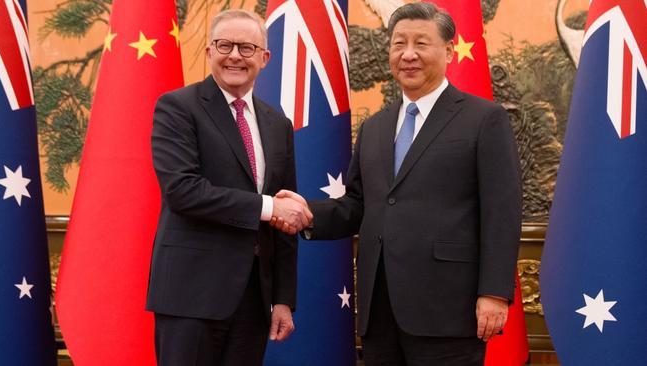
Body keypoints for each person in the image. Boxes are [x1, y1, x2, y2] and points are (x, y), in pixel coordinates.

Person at [272, 2, 522, 365]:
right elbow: (358, 204)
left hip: (449, 311)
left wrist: (495, 293)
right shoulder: (375, 126)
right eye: (398, 43)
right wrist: (307, 213)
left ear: (449, 51)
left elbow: (502, 211)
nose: (408, 54)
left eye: (421, 43)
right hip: (379, 311)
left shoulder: (484, 119)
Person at [146, 9, 312, 366]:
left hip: (253, 300)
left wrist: (282, 298)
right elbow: (183, 191)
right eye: (224, 45)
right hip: (190, 296)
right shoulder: (177, 107)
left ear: (265, 58)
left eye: (247, 48)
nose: (234, 55)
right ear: (209, 52)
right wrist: (268, 207)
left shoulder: (277, 124)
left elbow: (283, 219)